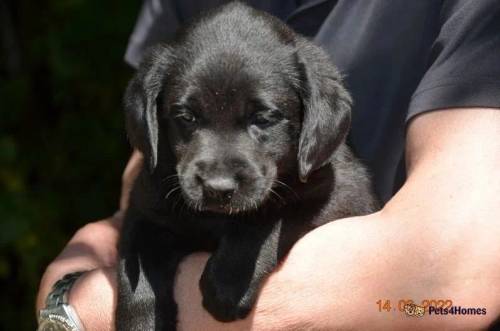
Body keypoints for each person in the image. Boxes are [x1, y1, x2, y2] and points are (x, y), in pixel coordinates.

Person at [37, 0, 500, 329]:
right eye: (187, 118)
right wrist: (126, 298)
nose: (218, 174)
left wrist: (87, 307)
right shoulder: (178, 52)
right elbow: (138, 210)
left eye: (262, 119)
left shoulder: (321, 175)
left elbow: (453, 296)